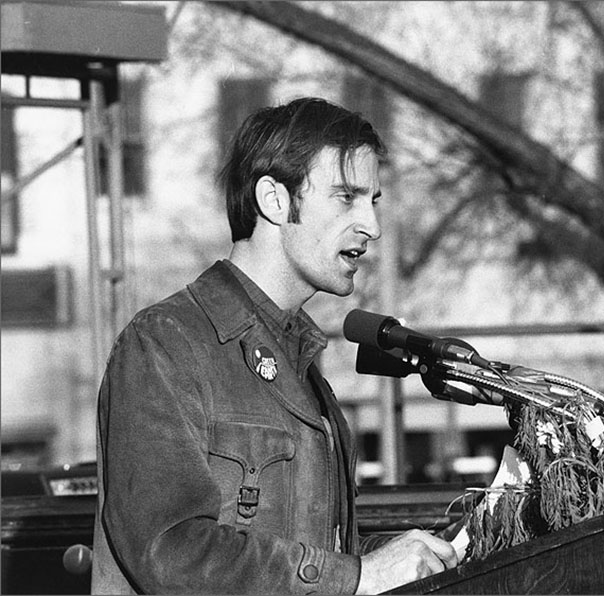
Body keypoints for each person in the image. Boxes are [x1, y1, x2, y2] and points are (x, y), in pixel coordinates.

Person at [92, 97, 458, 594]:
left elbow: (313, 557)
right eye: (346, 197)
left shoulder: (300, 360)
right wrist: (361, 575)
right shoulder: (164, 344)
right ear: (274, 199)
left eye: (373, 200)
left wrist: (416, 556)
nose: (371, 226)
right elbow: (171, 551)